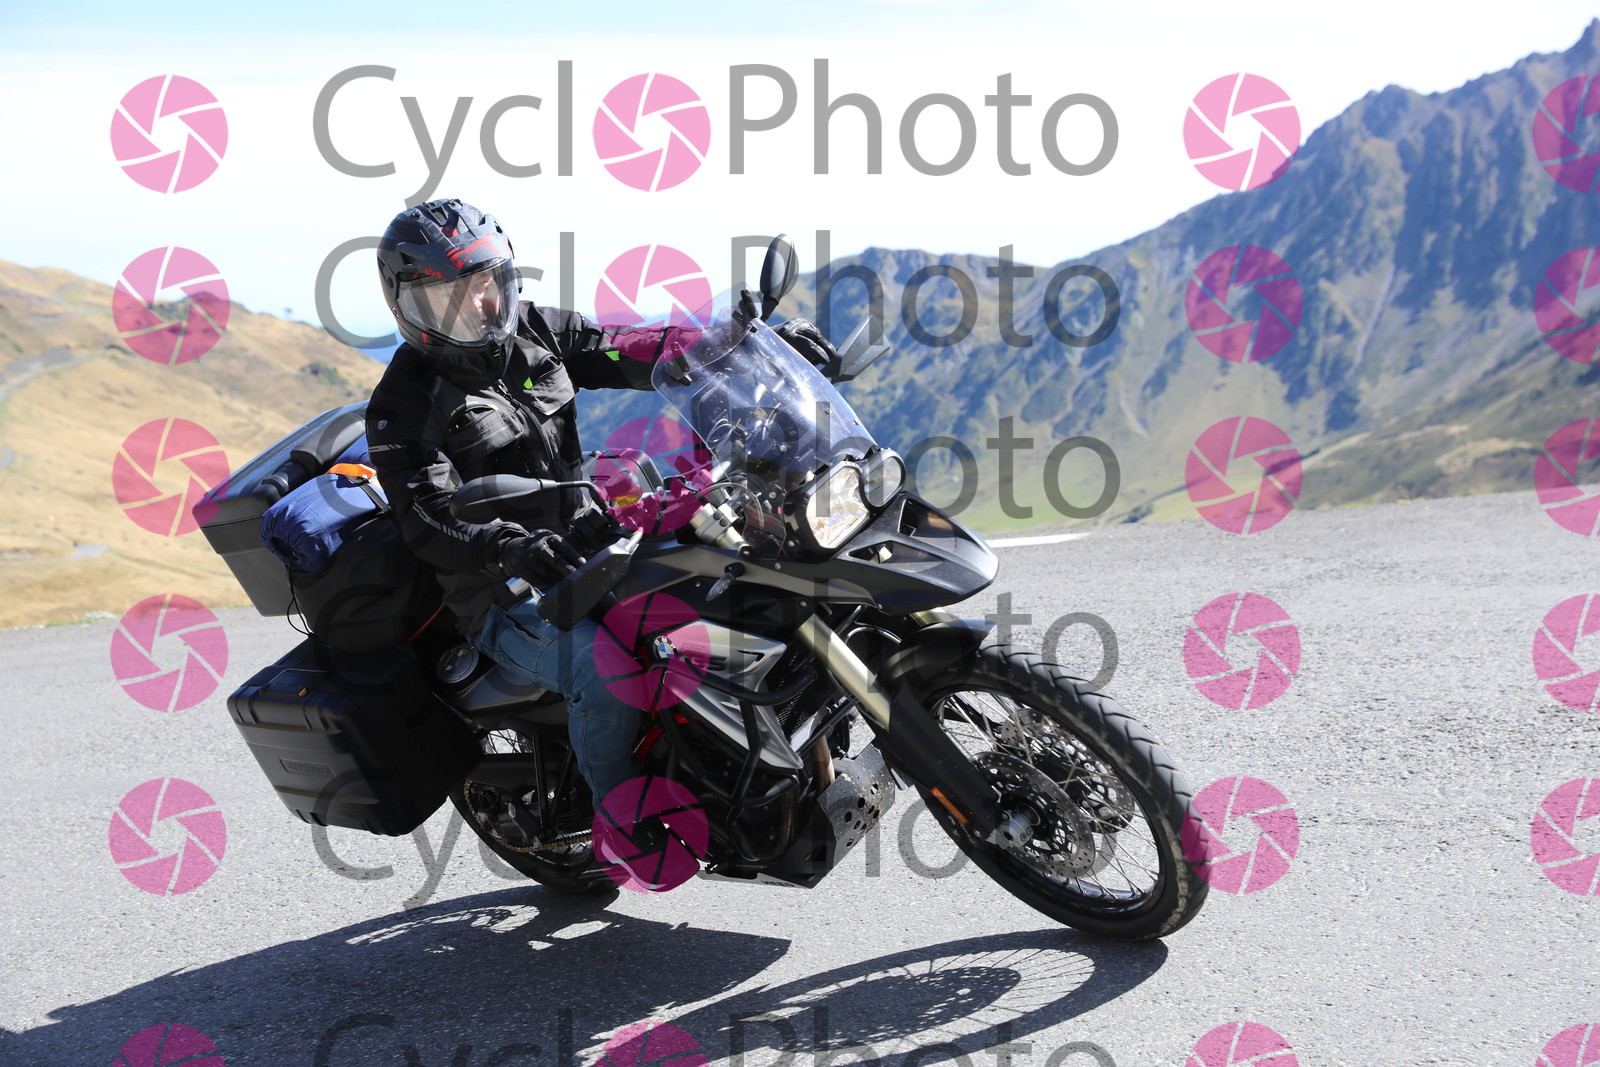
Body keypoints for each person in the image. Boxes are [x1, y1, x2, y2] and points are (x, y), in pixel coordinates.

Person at [364, 198, 835, 811]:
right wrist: (508, 546)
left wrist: (739, 343)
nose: (478, 305)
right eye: (449, 295)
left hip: (591, 540)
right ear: (408, 306)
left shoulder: (537, 330)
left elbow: (628, 347)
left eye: (485, 283)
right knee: (602, 672)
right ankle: (622, 820)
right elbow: (428, 515)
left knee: (733, 577)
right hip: (506, 592)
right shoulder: (402, 404)